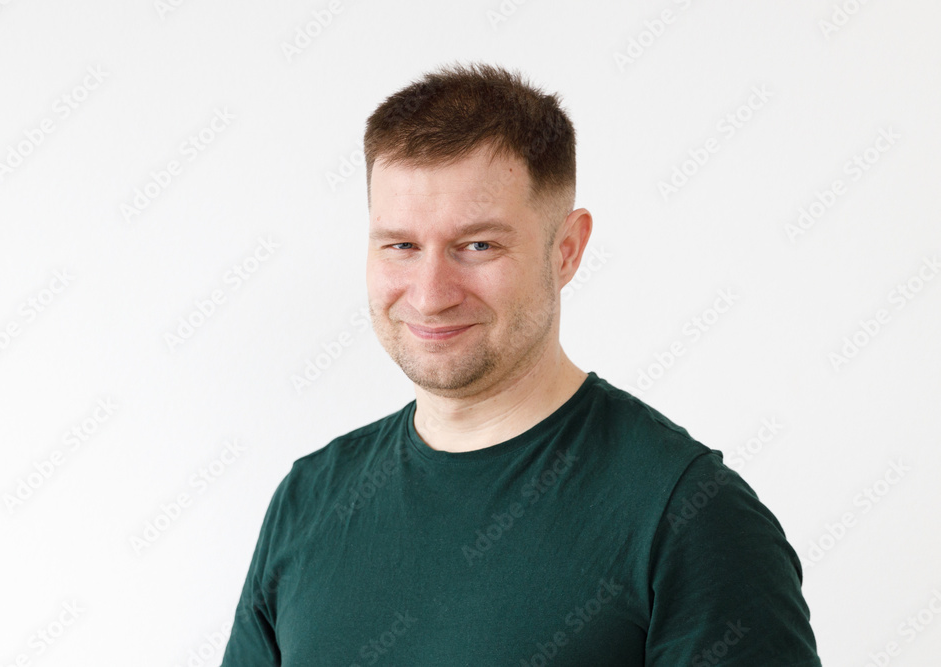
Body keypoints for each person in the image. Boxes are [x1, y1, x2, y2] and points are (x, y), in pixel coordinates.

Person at [221, 62, 821, 665]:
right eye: (401, 245)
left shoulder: (687, 517)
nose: (431, 293)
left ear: (566, 250)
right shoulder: (308, 502)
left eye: (478, 245)